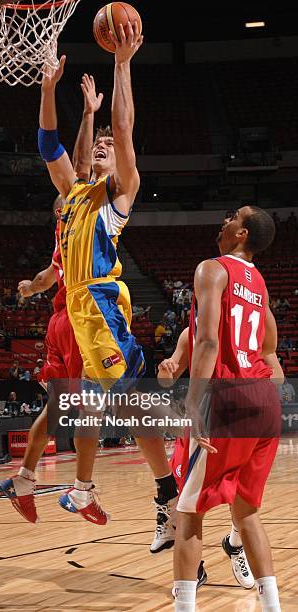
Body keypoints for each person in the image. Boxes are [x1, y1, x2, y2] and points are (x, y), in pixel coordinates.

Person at [2, 35, 179, 545]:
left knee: (114, 402)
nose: (102, 146)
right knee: (124, 401)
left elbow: (123, 129)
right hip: (84, 309)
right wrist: (47, 87)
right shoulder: (73, 193)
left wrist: (122, 63)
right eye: (96, 146)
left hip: (100, 304)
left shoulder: (117, 193)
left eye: (107, 148)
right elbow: (47, 146)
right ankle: (158, 490)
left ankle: (119, 489)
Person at [172, 207, 282, 612]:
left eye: (233, 217)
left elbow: (208, 343)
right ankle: (273, 606)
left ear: (242, 233)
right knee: (247, 512)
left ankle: (184, 606)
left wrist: (194, 399)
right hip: (264, 400)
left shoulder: (212, 269)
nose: (224, 220)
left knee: (188, 513)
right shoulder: (260, 283)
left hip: (228, 398)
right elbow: (269, 354)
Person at [158, 325, 284, 592]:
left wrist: (250, 379)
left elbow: (278, 376)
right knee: (188, 502)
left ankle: (235, 545)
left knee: (242, 502)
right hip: (204, 418)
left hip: (243, 413)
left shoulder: (250, 328)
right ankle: (195, 569)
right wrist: (165, 371)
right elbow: (167, 380)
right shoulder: (190, 333)